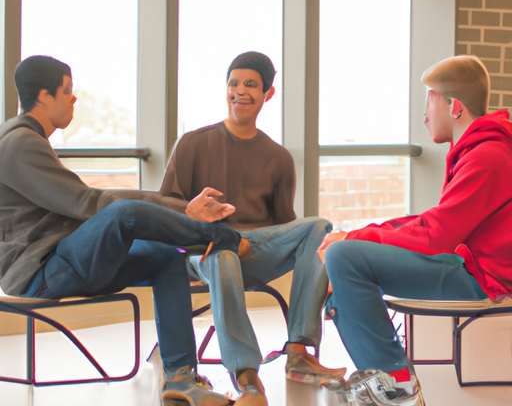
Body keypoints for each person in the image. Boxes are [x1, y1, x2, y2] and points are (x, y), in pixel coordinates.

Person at [0, 55, 257, 406]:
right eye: (67, 90)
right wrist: (189, 217)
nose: (74, 98)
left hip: (62, 260)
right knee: (124, 215)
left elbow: (97, 201)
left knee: (164, 257)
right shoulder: (20, 144)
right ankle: (221, 237)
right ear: (44, 96)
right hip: (40, 271)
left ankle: (181, 377)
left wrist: (181, 209)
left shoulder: (27, 139)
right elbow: (91, 204)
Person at [319, 55, 512, 406]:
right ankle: (386, 379)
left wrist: (351, 241)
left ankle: (396, 386)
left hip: (483, 280)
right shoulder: (479, 150)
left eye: (429, 99)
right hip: (471, 268)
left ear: (454, 107)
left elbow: (436, 234)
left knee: (343, 257)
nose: (424, 115)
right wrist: (362, 232)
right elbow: (434, 220)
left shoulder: (488, 155)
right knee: (343, 259)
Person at [160, 51, 345, 406]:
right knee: (224, 254)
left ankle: (298, 352)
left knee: (320, 228)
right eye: (233, 83)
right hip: (203, 252)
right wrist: (199, 218)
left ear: (267, 94)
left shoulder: (278, 158)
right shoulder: (193, 144)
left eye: (250, 85)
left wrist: (323, 261)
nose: (240, 92)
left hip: (254, 250)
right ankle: (248, 379)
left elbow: (283, 227)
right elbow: (165, 210)